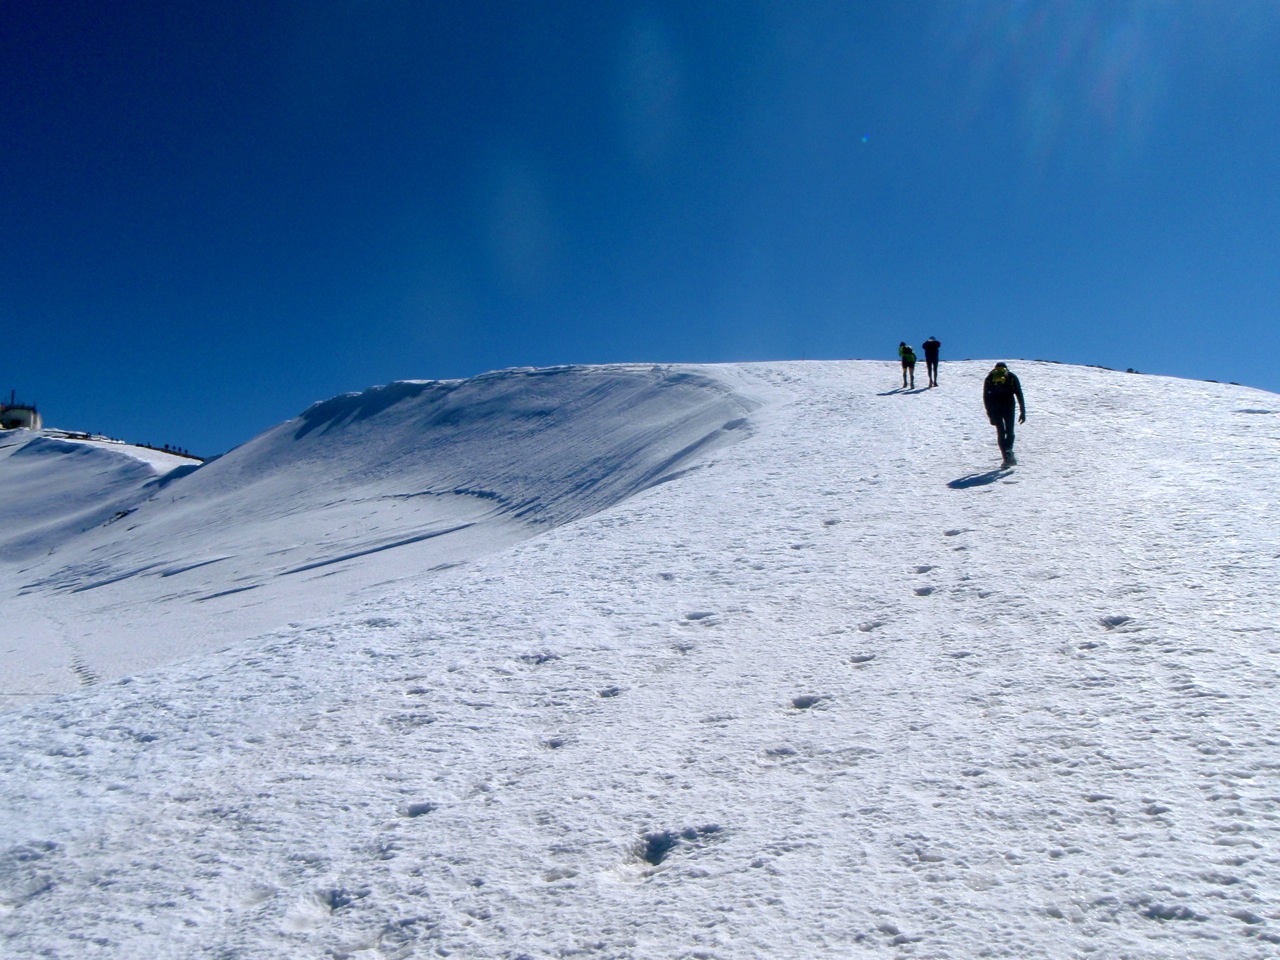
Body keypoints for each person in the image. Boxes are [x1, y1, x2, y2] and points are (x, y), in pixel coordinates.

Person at [983, 362, 1026, 467]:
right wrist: (1022, 411)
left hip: (995, 408)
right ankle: (1009, 450)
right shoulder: (1011, 376)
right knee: (1010, 430)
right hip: (1009, 406)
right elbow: (1019, 393)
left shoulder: (989, 378)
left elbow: (986, 397)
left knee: (1000, 432)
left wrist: (990, 414)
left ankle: (1005, 459)